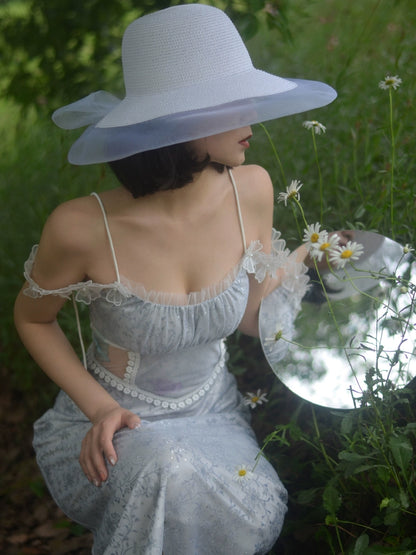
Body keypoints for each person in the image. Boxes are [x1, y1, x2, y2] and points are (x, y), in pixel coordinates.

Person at [14, 4, 336, 554]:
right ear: (180, 119)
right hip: (116, 425)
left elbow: (251, 316)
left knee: (220, 502)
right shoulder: (81, 227)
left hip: (212, 413)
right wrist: (100, 408)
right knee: (166, 472)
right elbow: (32, 317)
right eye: (234, 103)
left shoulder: (250, 188)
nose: (252, 120)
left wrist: (314, 256)